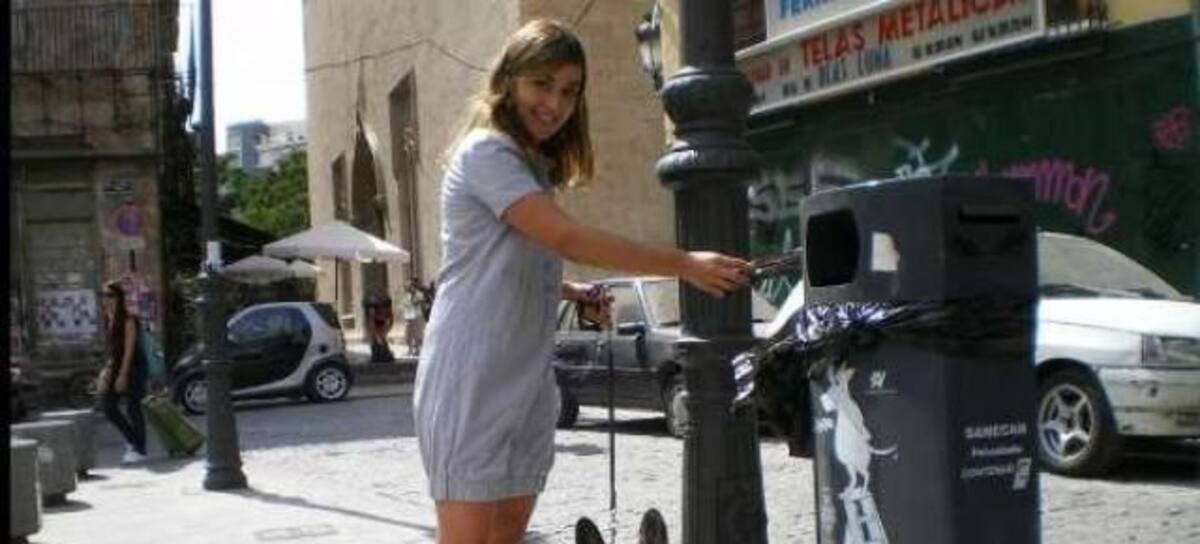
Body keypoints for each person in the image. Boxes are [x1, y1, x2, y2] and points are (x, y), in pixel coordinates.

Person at [412, 19, 750, 544]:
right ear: (509, 80)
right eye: (541, 84)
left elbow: (504, 261)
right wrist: (685, 263)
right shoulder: (486, 152)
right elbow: (566, 238)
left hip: (525, 380)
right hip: (471, 377)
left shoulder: (531, 169)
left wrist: (570, 292)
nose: (555, 104)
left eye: (570, 91)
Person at [99, 280, 148, 464]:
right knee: (107, 406)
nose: (106, 299)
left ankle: (140, 449)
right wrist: (106, 370)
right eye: (103, 296)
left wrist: (122, 375)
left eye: (110, 295)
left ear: (119, 298)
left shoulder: (128, 319)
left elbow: (129, 350)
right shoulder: (108, 319)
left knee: (133, 408)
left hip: (133, 366)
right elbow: (112, 350)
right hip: (116, 365)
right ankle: (133, 440)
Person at [364, 293, 396, 363]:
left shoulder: (388, 310)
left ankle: (383, 352)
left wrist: (385, 333)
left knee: (381, 340)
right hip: (373, 320)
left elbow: (391, 321)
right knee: (376, 340)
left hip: (380, 320)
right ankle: (376, 352)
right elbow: (371, 324)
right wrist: (377, 337)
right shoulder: (372, 310)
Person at [403, 279, 427, 357]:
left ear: (413, 287)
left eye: (408, 287)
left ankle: (417, 350)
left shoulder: (419, 295)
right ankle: (410, 350)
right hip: (408, 318)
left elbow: (421, 304)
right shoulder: (406, 296)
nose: (407, 289)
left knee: (418, 334)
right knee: (408, 334)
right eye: (406, 287)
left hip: (417, 317)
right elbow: (404, 305)